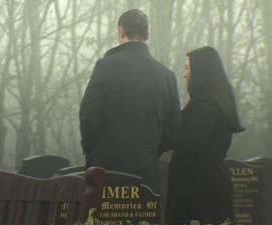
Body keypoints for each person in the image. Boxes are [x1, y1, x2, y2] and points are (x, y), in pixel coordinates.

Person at [79, 9, 181, 193]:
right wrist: (149, 152)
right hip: (146, 174)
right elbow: (173, 130)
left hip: (106, 170)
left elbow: (88, 115)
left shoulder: (105, 66)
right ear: (147, 34)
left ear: (121, 31)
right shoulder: (167, 76)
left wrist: (94, 152)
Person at [166, 46, 244, 225]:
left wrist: (165, 133)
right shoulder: (212, 101)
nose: (185, 74)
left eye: (187, 68)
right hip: (205, 182)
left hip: (199, 188)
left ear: (201, 71)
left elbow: (193, 141)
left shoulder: (207, 104)